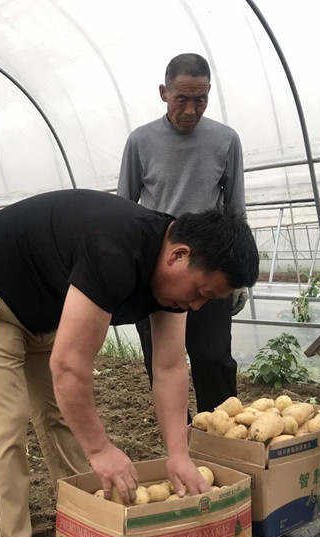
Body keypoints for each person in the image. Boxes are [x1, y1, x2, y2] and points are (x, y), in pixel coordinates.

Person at [0, 188, 258, 537]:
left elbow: (169, 367)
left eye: (208, 299)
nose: (198, 305)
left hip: (42, 306)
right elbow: (70, 366)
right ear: (179, 255)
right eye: (201, 292)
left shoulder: (175, 277)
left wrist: (178, 454)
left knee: (61, 417)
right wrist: (100, 449)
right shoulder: (115, 250)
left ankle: (86, 522)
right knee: (5, 426)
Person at [117, 52, 248, 414]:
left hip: (210, 268)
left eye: (200, 99)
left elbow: (235, 210)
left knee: (213, 359)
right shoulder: (140, 141)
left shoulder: (226, 140)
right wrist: (129, 272)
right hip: (159, 272)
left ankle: (220, 434)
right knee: (162, 362)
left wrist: (238, 278)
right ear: (164, 93)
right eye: (181, 99)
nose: (191, 110)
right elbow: (125, 207)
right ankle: (180, 436)